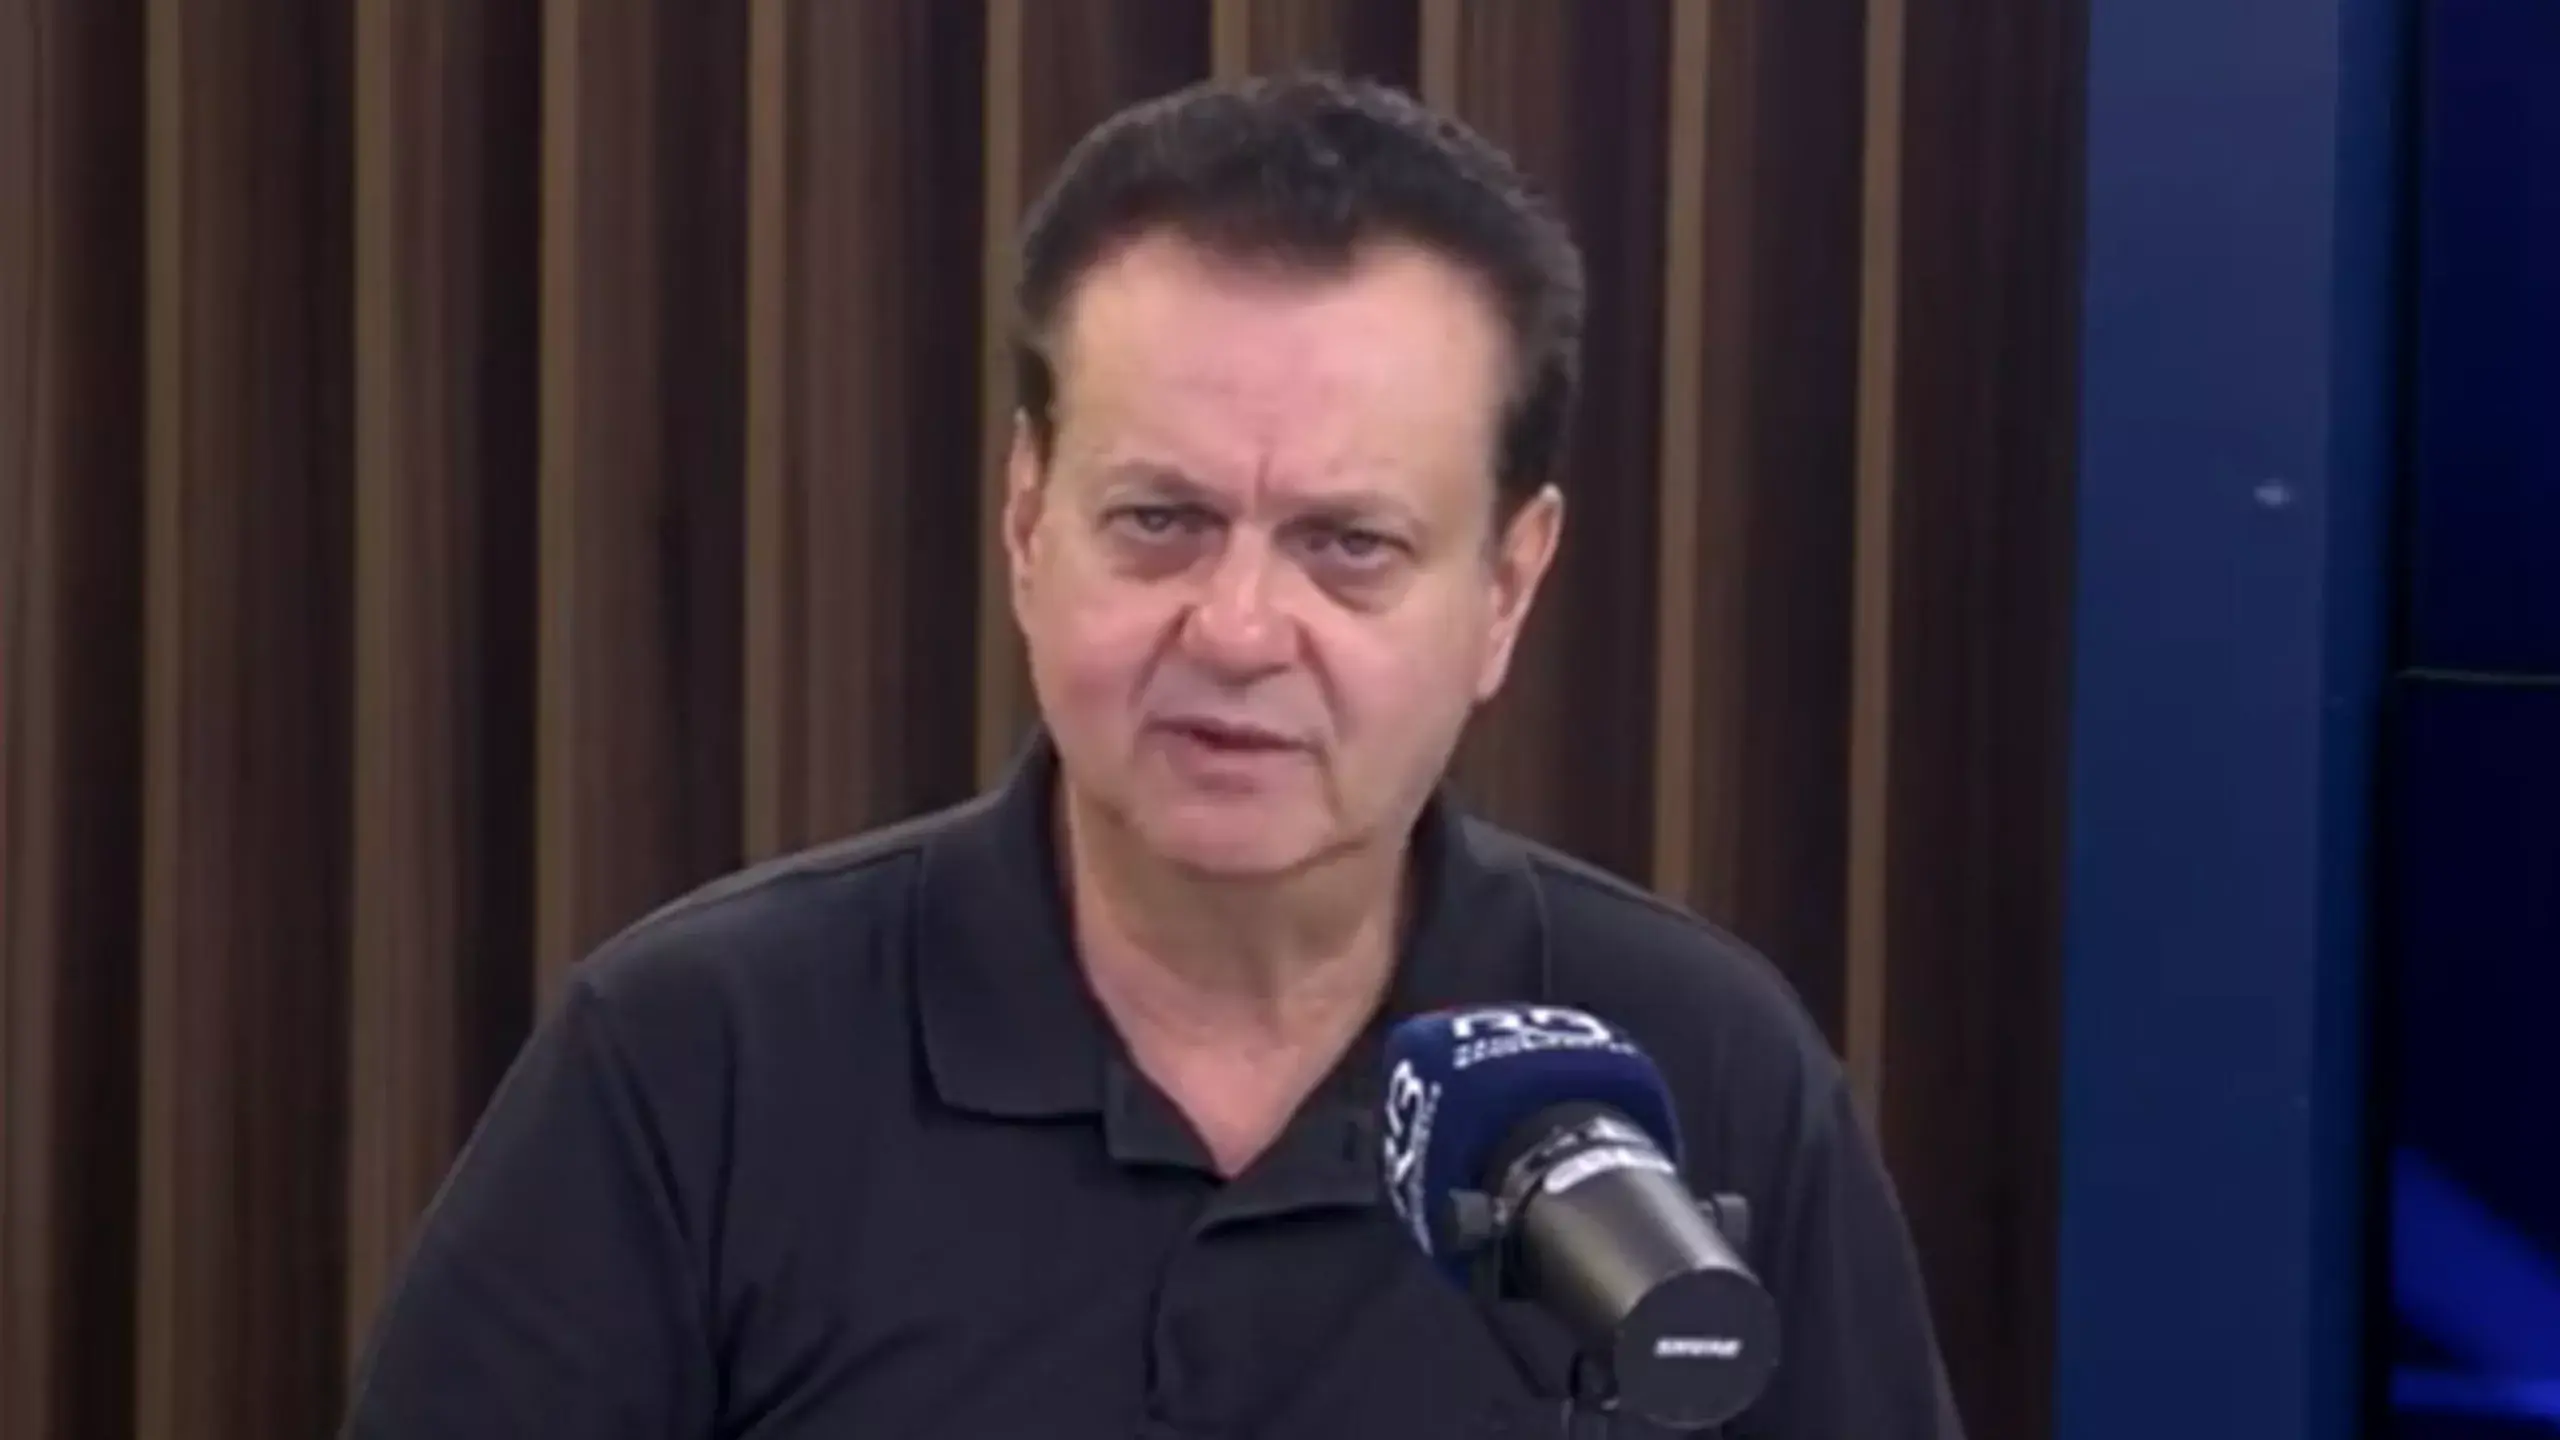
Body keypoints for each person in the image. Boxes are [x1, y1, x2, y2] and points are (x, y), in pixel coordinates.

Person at [340, 71, 1962, 1439]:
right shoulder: (697, 1061)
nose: (1239, 628)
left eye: (1348, 546)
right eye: (1161, 520)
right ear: (1026, 522)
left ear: (1508, 588)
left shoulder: (1705, 1070)